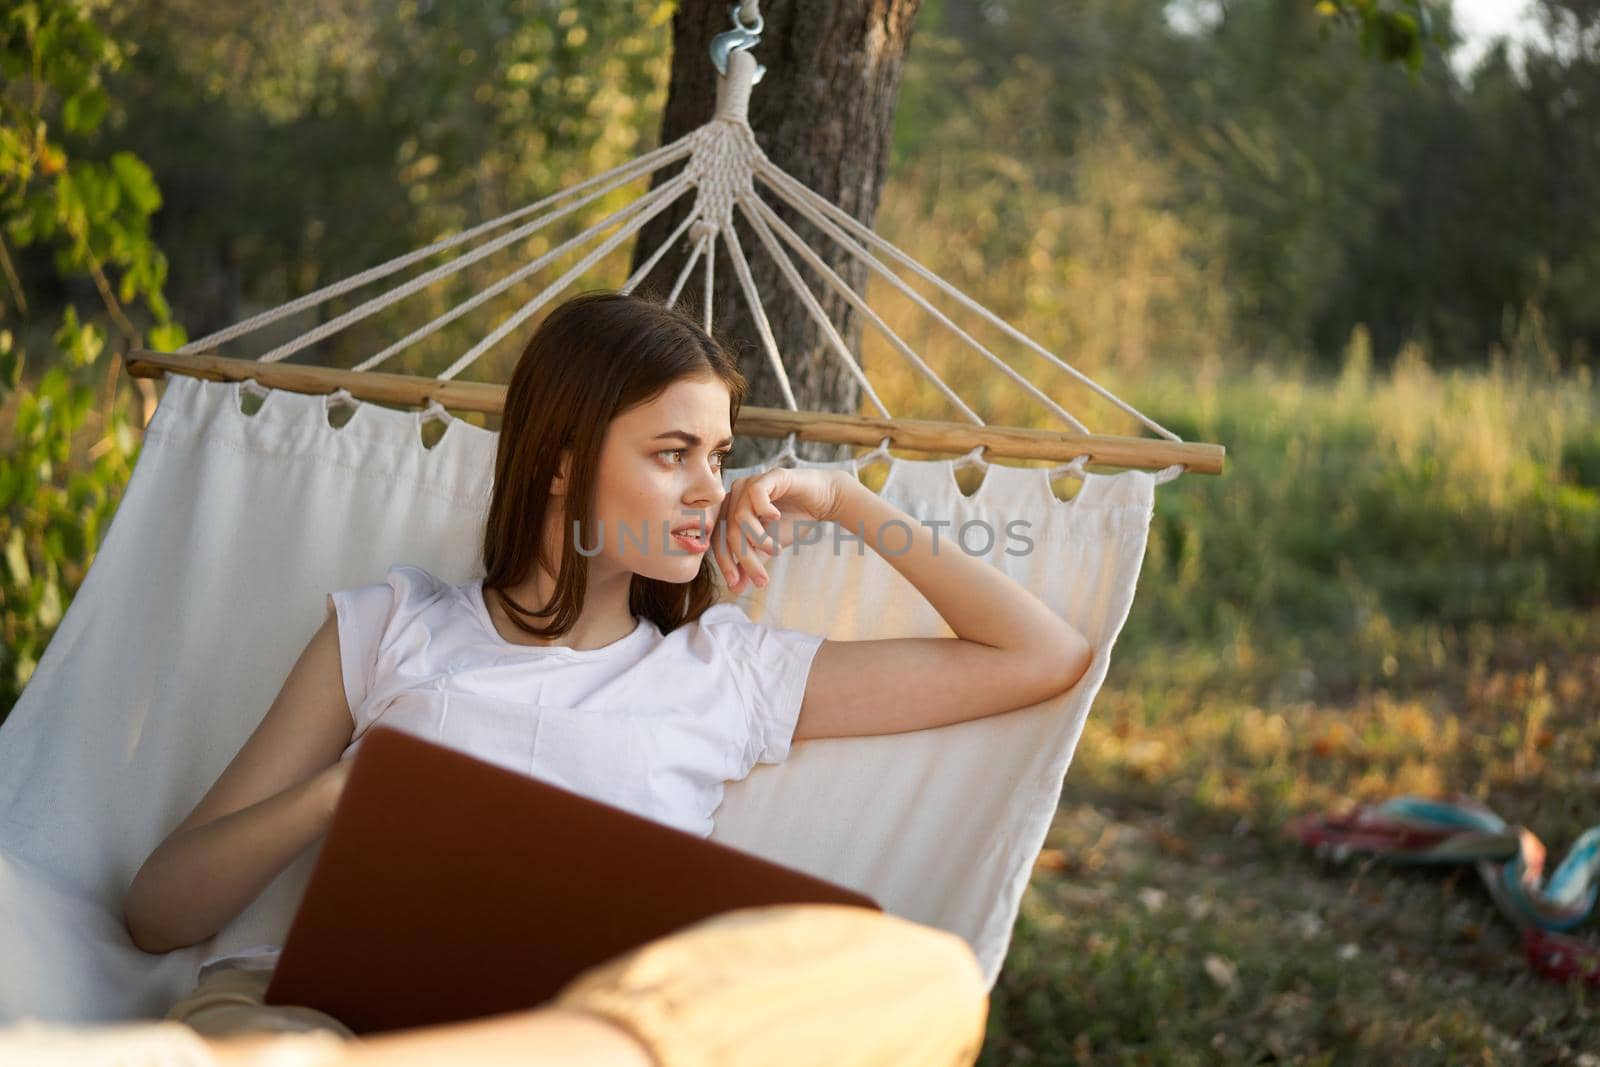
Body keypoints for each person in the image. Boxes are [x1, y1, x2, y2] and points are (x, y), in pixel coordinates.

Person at [114, 289, 1093, 1061]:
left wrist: (837, 499)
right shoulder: (390, 627)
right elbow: (161, 911)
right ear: (563, 463)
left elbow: (1039, 657)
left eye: (719, 454)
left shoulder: (725, 670)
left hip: (565, 1039)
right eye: (673, 454)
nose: (710, 487)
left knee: (899, 976)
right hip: (314, 1018)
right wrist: (345, 793)